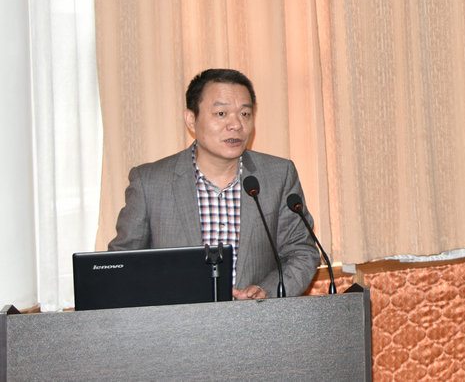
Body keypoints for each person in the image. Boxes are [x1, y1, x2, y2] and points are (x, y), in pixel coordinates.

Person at [108, 68, 320, 299]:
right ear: (191, 120)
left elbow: (301, 251)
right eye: (221, 113)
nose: (236, 124)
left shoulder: (278, 175)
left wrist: (267, 291)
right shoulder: (150, 182)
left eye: (245, 114)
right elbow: (122, 265)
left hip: (258, 317)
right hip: (178, 319)